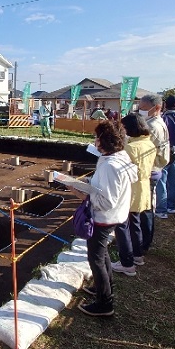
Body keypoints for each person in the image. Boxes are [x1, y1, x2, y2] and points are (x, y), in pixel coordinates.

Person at [70, 121, 137, 317]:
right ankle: (103, 288)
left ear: (102, 141)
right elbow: (108, 188)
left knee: (96, 259)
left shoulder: (110, 166)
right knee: (103, 253)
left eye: (96, 137)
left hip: (105, 217)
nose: (94, 140)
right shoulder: (118, 157)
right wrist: (89, 183)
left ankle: (105, 304)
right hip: (116, 215)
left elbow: (106, 201)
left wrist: (79, 192)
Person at [111, 113, 156, 276]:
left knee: (124, 227)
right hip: (143, 187)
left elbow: (120, 170)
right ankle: (138, 255)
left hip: (130, 189)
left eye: (123, 127)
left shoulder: (130, 148)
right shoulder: (148, 143)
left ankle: (127, 263)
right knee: (135, 223)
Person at [137, 94, 170, 239]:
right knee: (146, 206)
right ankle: (144, 239)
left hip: (148, 171)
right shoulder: (154, 122)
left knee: (144, 208)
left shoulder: (152, 126)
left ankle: (143, 241)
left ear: (156, 108)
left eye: (143, 108)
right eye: (139, 108)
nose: (140, 111)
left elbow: (142, 150)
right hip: (152, 169)